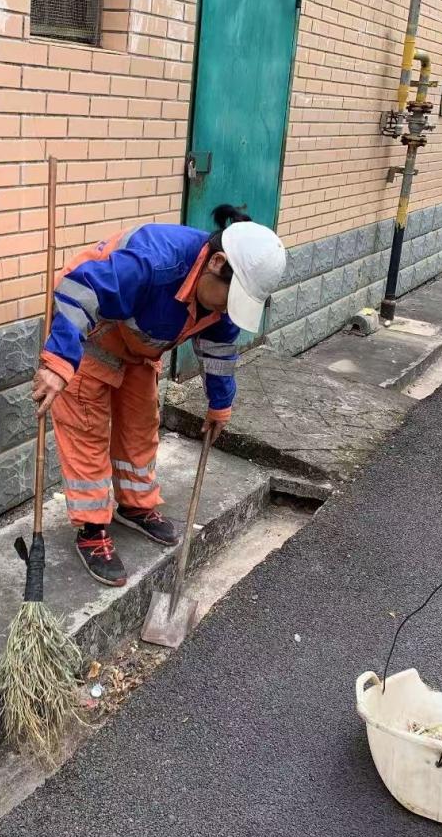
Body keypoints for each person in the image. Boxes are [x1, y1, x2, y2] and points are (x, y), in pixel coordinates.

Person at [31, 205, 287, 586]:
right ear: (217, 263)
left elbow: (219, 351)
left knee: (141, 427)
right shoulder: (156, 261)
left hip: (138, 349)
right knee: (87, 433)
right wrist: (58, 361)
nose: (226, 310)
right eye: (229, 298)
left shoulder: (219, 302)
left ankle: (135, 506)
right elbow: (79, 290)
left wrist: (220, 404)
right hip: (88, 338)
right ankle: (92, 528)